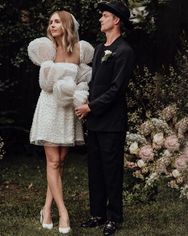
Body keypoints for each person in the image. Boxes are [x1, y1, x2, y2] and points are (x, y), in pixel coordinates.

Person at [27, 10, 94, 234]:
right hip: (49, 106)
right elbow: (45, 84)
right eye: (51, 22)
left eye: (57, 21)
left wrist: (79, 95)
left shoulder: (80, 50)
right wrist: (59, 81)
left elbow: (83, 81)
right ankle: (63, 212)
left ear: (66, 25)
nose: (52, 25)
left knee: (61, 161)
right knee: (53, 161)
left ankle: (46, 208)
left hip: (67, 110)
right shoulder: (47, 50)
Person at [75, 1, 134, 235]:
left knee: (111, 171)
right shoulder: (100, 49)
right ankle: (97, 213)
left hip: (112, 122)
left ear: (116, 20)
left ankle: (114, 217)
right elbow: (94, 83)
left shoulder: (125, 51)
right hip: (96, 120)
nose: (101, 19)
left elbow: (116, 89)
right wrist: (82, 99)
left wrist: (90, 107)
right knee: (95, 169)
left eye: (105, 15)